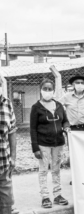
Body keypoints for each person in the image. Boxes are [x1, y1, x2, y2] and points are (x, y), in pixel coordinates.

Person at [30, 79, 70, 208]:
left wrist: (67, 127)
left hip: (58, 143)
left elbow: (65, 121)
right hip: (43, 144)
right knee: (43, 170)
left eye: (50, 89)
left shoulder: (59, 105)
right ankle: (45, 197)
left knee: (56, 169)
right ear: (41, 90)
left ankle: (57, 195)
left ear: (54, 90)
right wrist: (35, 147)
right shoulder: (36, 108)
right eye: (45, 89)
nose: (47, 91)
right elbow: (33, 128)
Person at [0, 78, 17, 214]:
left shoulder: (7, 104)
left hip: (3, 162)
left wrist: (13, 156)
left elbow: (12, 132)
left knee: (6, 202)